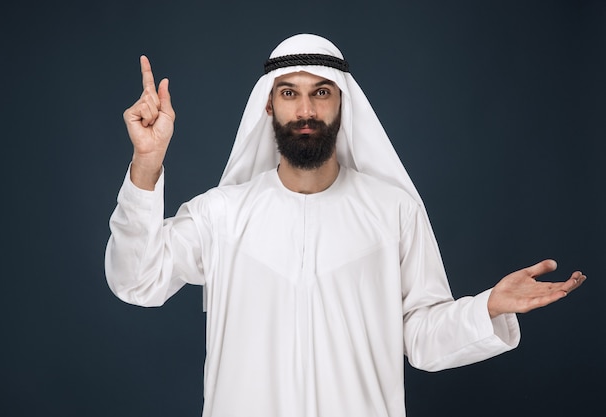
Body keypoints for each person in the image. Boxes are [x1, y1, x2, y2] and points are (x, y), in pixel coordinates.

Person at [105, 34, 586, 417]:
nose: (307, 110)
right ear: (268, 106)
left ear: (342, 103)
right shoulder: (221, 215)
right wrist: (147, 162)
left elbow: (419, 337)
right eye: (290, 93)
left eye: (321, 93)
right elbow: (137, 279)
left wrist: (486, 309)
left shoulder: (392, 211)